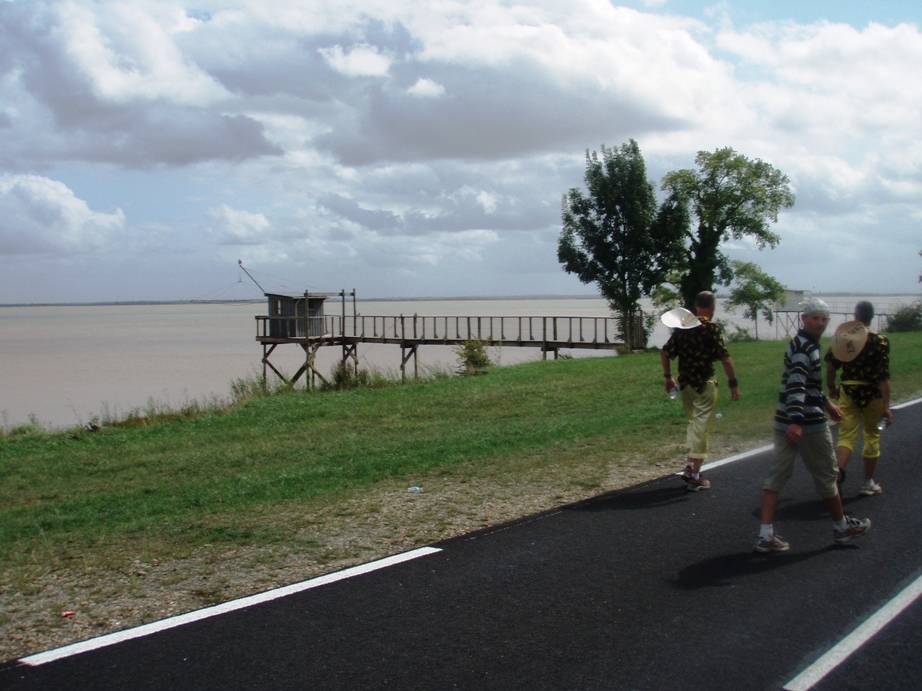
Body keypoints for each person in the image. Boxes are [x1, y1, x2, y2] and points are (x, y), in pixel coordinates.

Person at [755, 298, 871, 553]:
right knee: (828, 476)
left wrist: (826, 403)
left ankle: (765, 535)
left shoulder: (803, 344)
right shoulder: (805, 348)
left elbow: (807, 384)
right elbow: (797, 383)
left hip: (784, 419)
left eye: (823, 319)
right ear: (803, 318)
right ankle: (841, 527)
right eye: (815, 318)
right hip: (805, 424)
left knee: (777, 477)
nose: (819, 323)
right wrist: (797, 421)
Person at [661, 291, 740, 491]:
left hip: (686, 385)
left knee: (694, 425)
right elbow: (726, 359)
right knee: (702, 428)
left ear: (696, 306)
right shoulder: (712, 328)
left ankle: (689, 465)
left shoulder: (682, 328)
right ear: (713, 306)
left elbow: (665, 352)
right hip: (705, 384)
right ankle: (695, 476)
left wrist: (668, 377)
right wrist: (733, 383)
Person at [825, 301, 893, 496]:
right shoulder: (880, 341)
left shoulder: (846, 338)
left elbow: (831, 367)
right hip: (873, 393)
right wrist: (886, 406)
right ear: (871, 317)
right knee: (872, 435)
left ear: (855, 317)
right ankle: (867, 482)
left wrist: (831, 387)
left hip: (849, 390)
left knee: (846, 436)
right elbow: (884, 377)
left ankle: (836, 477)